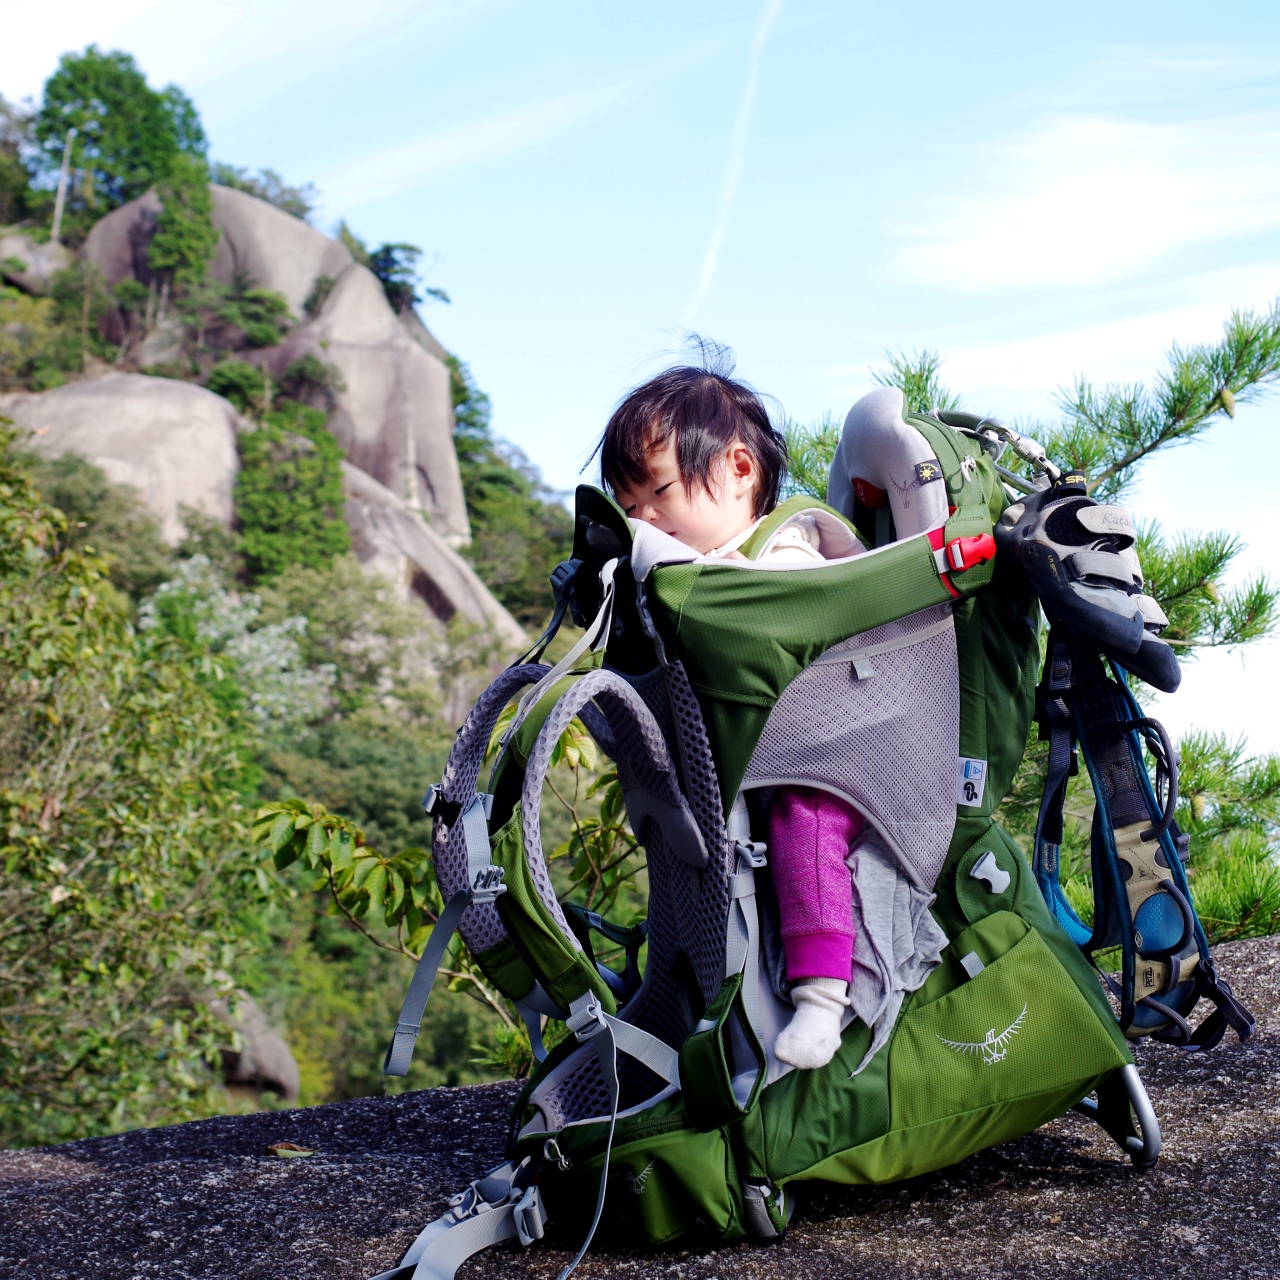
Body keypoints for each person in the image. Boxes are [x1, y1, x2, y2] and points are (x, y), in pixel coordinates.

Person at [596, 358, 863, 1070]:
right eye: (628, 506)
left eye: (658, 491)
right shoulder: (696, 572)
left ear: (740, 469)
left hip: (831, 767)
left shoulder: (785, 556)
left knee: (805, 825)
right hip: (746, 768)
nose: (643, 519)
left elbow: (768, 622)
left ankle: (822, 999)